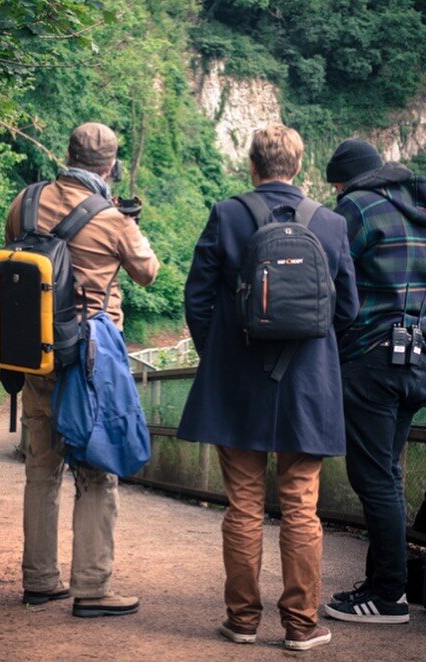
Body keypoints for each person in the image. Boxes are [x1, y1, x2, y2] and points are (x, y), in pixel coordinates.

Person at [177, 123, 359, 650]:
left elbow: (199, 298)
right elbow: (344, 309)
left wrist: (222, 352)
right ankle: (301, 626)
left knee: (244, 505)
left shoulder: (229, 213)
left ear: (252, 165)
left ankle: (242, 621)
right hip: (307, 385)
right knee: (302, 506)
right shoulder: (329, 223)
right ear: (299, 168)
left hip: (237, 381)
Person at [4, 122, 159, 615]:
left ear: (67, 155)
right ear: (110, 165)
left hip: (36, 352)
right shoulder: (112, 219)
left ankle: (39, 581)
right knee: (96, 471)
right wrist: (126, 222)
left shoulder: (24, 202)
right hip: (90, 360)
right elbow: (148, 272)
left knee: (42, 468)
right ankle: (93, 588)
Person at [324, 139, 426, 624]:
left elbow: (327, 280)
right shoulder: (418, 204)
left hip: (370, 359)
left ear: (347, 179)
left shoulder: (356, 209)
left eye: (337, 184)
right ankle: (384, 586)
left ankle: (388, 596)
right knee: (389, 473)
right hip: (417, 359)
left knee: (373, 479)